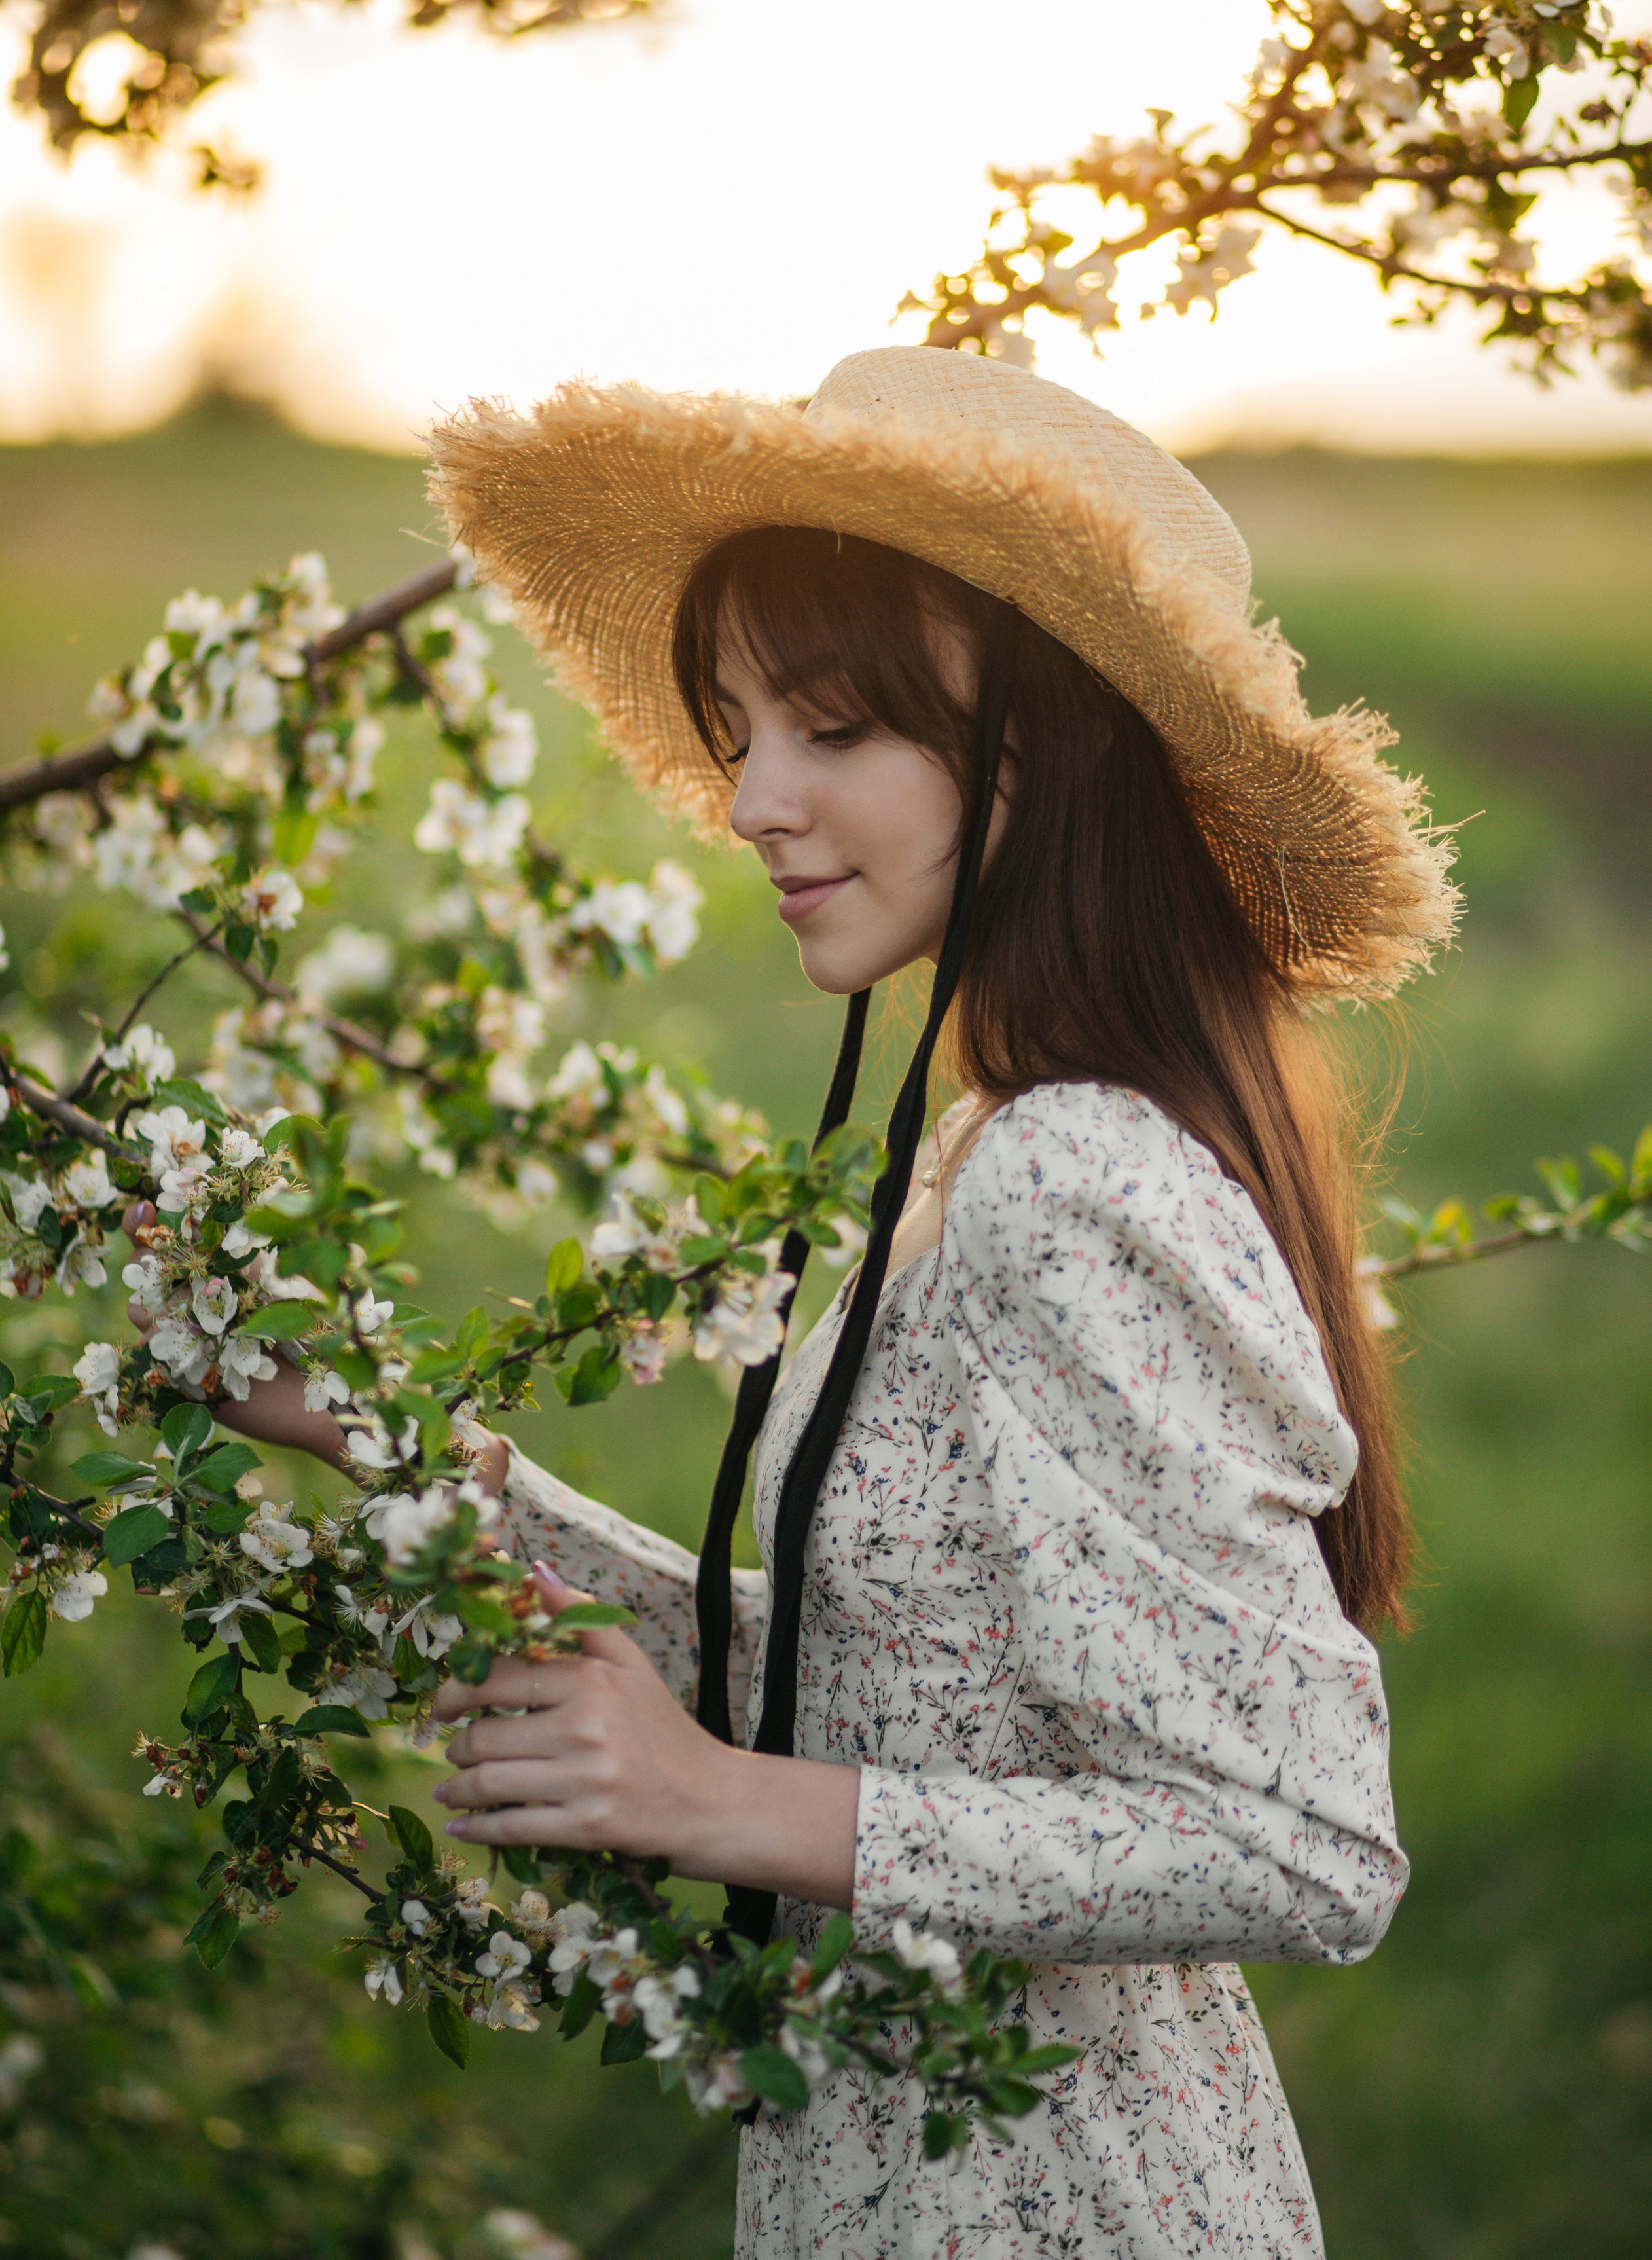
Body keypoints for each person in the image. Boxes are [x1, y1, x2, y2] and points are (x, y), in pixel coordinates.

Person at [144, 349, 1460, 2256]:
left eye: (833, 729)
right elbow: (901, 1677)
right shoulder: (992, 1133)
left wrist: (727, 1807)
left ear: (1045, 750)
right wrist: (391, 1446)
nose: (750, 797)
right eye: (738, 723)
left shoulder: (1073, 1175)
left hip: (1054, 2206)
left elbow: (1306, 1842)